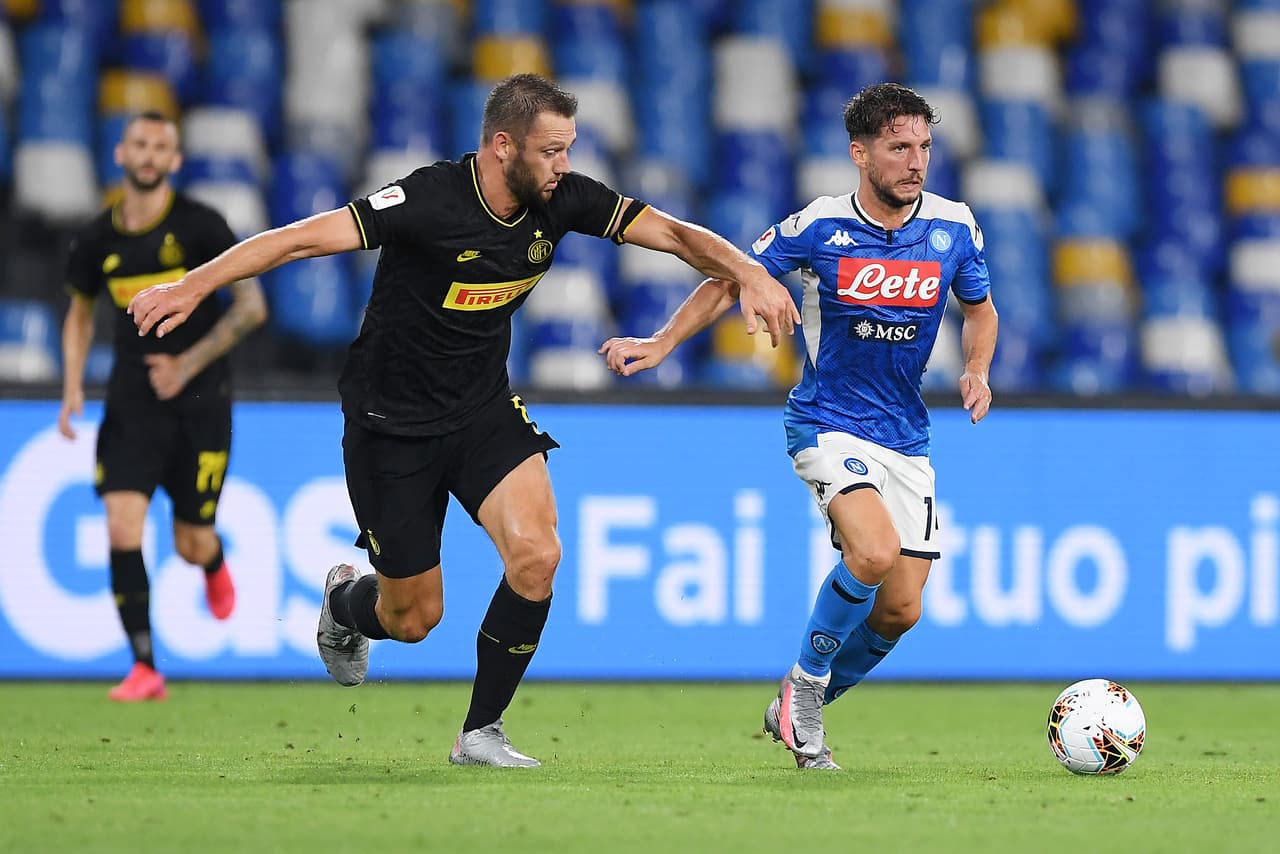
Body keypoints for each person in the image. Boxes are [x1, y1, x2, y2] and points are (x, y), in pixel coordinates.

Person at [127, 74, 800, 766]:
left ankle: (480, 732)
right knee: (411, 618)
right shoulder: (427, 199)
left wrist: (748, 271)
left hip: (482, 409)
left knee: (538, 555)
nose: (564, 167)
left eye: (568, 150)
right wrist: (192, 284)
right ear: (502, 146)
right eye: (550, 152)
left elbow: (675, 234)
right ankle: (344, 605)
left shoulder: (564, 199)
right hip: (391, 423)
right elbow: (300, 240)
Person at [600, 82, 998, 770]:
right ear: (860, 153)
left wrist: (977, 367)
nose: (916, 162)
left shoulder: (954, 226)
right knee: (870, 553)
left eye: (924, 147)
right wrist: (663, 344)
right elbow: (732, 278)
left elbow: (981, 308)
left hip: (906, 435)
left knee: (901, 610)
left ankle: (797, 697)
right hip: (827, 422)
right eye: (899, 147)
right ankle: (808, 690)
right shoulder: (817, 226)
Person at [59, 111, 268, 701]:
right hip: (131, 400)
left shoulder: (202, 227)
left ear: (175, 161)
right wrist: (72, 384)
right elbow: (77, 312)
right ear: (120, 153)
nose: (149, 155)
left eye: (161, 147)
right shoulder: (95, 239)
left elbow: (252, 308)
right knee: (122, 526)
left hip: (200, 400)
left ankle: (212, 561)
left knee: (189, 541)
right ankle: (145, 666)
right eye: (139, 145)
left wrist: (187, 363)